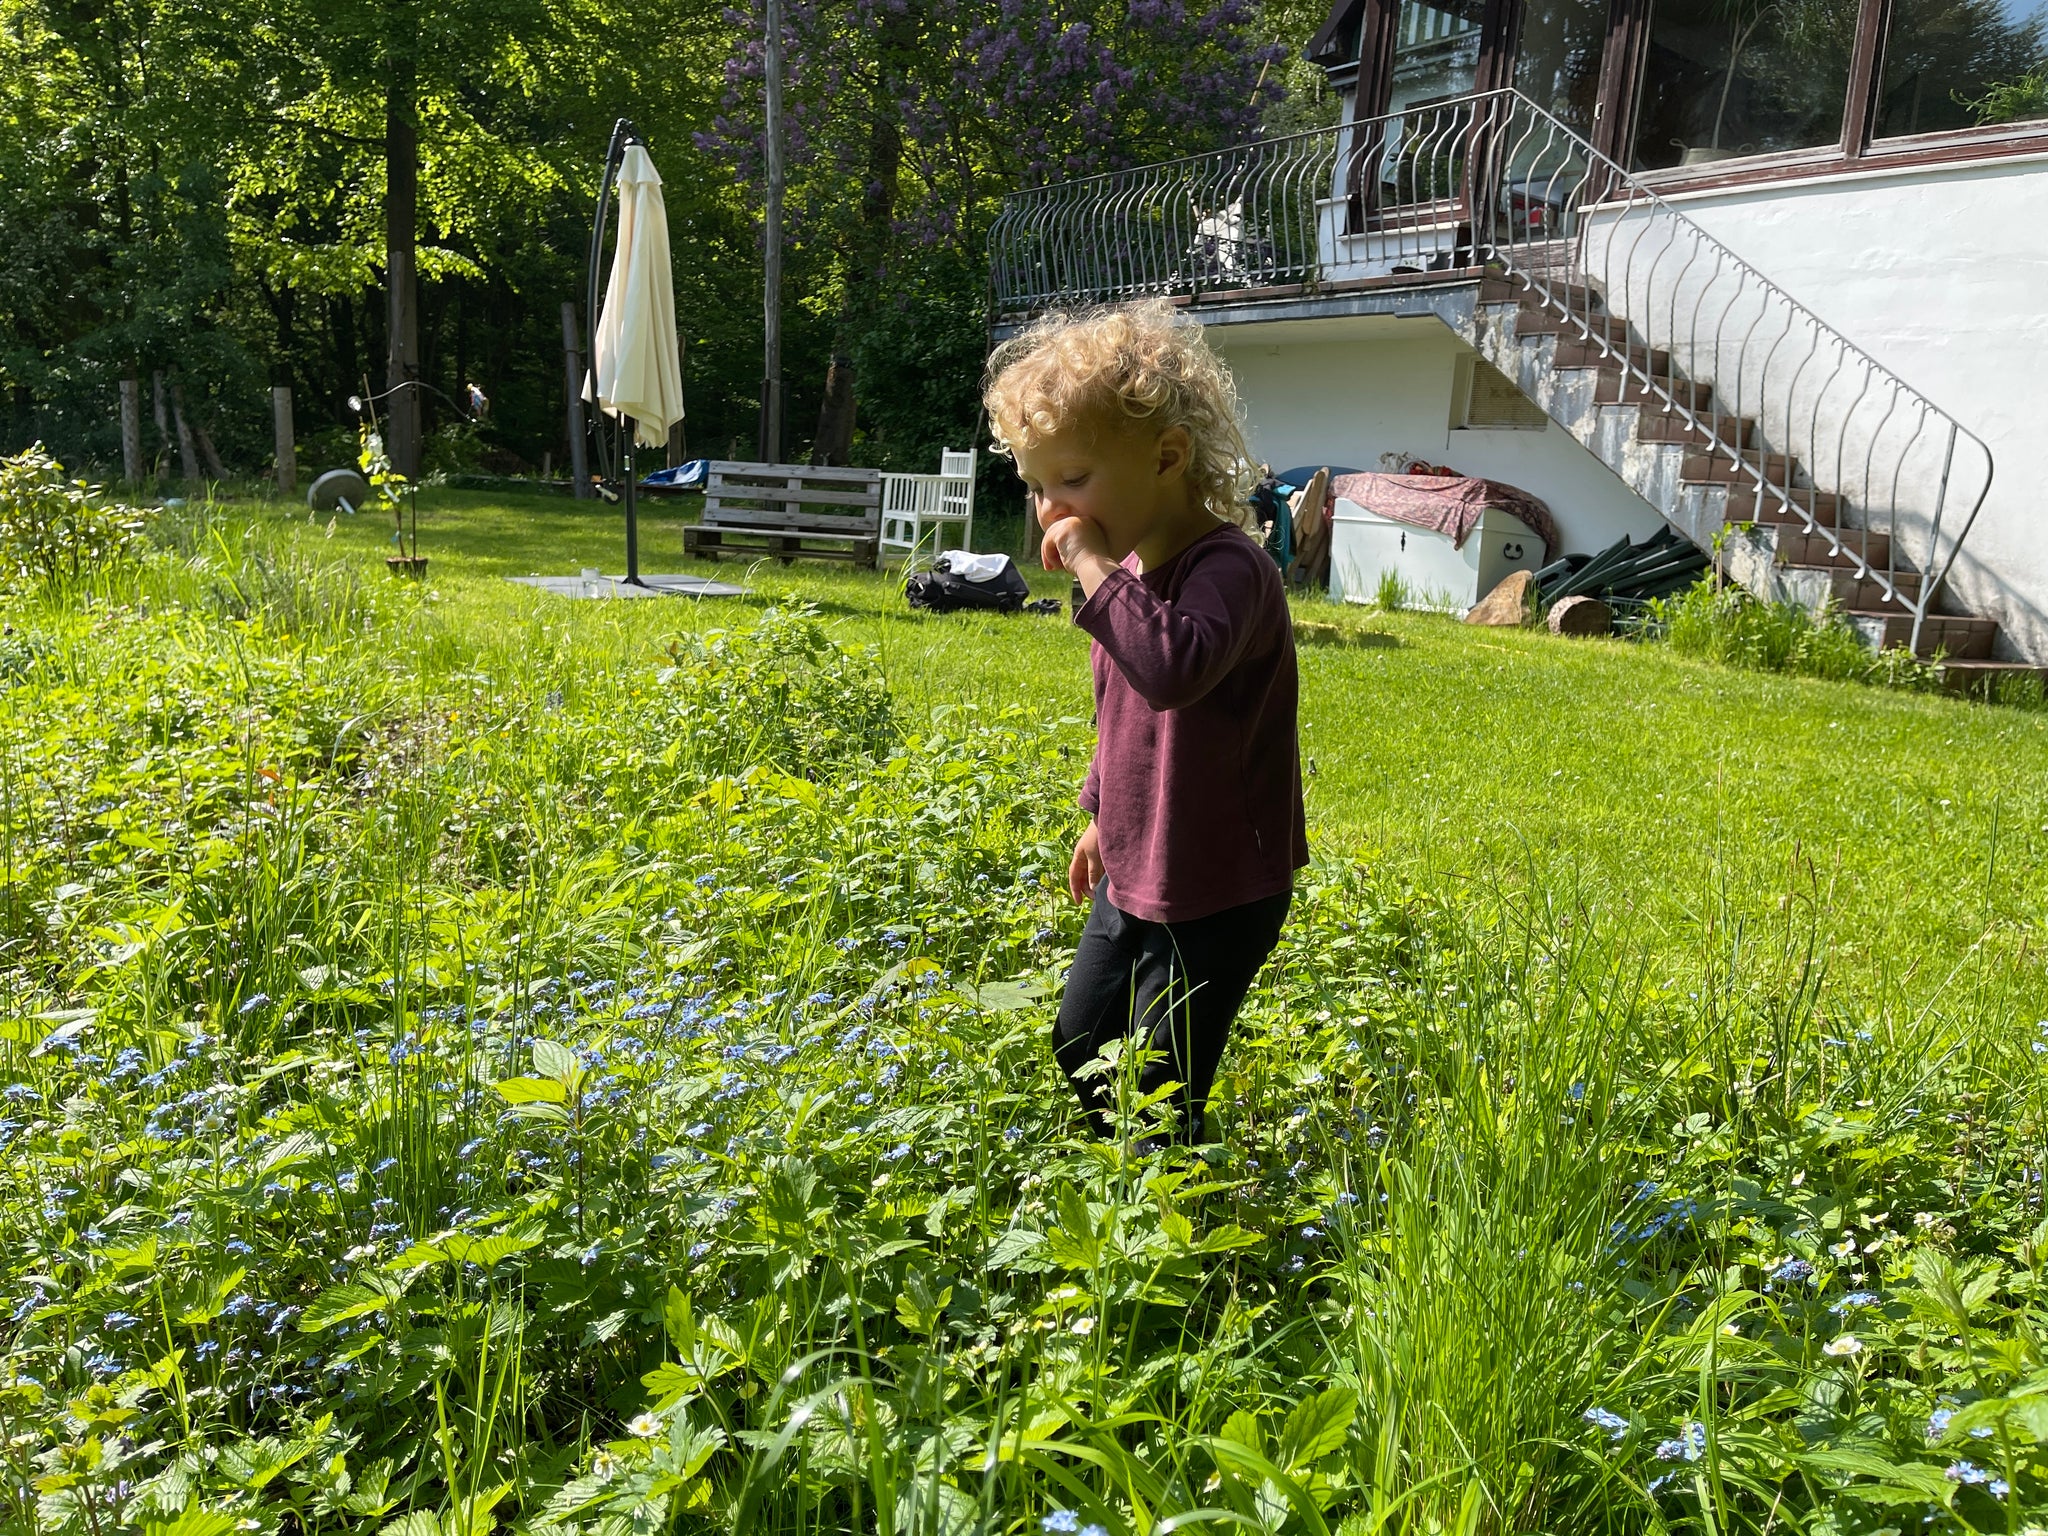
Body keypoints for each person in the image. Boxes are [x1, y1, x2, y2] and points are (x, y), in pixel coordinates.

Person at [983, 299, 1308, 1148]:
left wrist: (1091, 564)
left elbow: (1170, 670)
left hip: (1220, 881)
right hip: (1137, 858)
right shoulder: (1124, 572)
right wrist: (1098, 814)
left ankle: (1173, 1222)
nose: (1054, 511)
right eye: (1039, 486)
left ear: (1167, 457)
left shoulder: (1230, 570)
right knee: (1081, 1039)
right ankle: (1123, 1175)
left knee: (1165, 1076)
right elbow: (1118, 711)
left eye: (1074, 481)